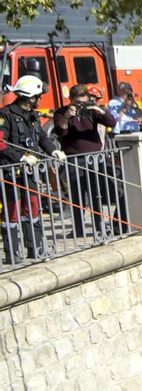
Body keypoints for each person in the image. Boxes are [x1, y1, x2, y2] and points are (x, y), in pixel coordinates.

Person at [0, 75, 65, 263]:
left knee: (33, 211)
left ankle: (34, 248)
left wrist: (53, 151)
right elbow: (1, 143)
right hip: (11, 171)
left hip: (30, 172)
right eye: (38, 96)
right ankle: (12, 254)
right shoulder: (6, 114)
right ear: (30, 97)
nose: (40, 99)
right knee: (12, 213)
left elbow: (42, 137)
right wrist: (19, 157)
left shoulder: (33, 116)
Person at [54, 84, 116, 237]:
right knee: (77, 197)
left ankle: (99, 228)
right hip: (75, 159)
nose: (81, 105)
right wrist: (68, 115)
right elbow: (60, 131)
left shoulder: (91, 111)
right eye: (77, 102)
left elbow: (112, 123)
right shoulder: (62, 112)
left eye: (84, 102)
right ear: (71, 100)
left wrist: (99, 110)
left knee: (96, 195)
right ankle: (78, 229)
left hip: (94, 158)